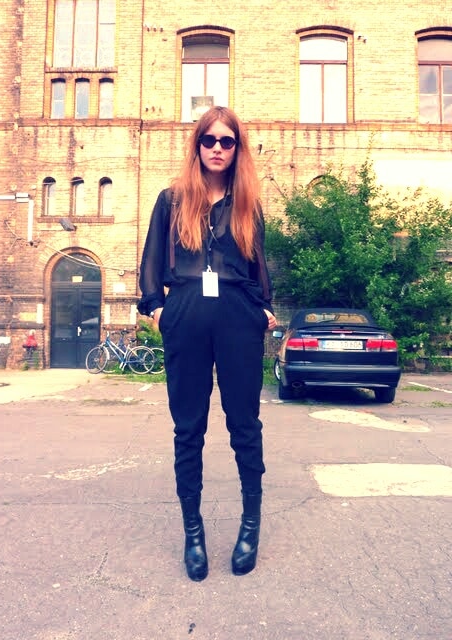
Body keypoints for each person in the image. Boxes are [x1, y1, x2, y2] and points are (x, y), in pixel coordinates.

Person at [137, 106, 277, 581]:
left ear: (237, 149)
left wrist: (262, 307)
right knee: (188, 428)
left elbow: (258, 265)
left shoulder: (248, 205)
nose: (218, 148)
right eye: (209, 140)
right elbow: (152, 260)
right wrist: (158, 308)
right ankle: (193, 534)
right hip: (187, 314)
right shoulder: (172, 200)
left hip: (238, 316)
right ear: (197, 145)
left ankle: (250, 527)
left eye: (227, 141)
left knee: (245, 424)